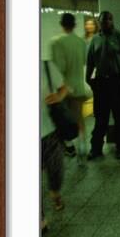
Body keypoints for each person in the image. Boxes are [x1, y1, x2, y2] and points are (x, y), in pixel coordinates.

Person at [86, 11, 120, 160]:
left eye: (108, 20)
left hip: (117, 81)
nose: (105, 23)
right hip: (101, 83)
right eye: (103, 21)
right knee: (101, 117)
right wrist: (89, 80)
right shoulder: (95, 40)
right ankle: (96, 148)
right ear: (99, 22)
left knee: (119, 116)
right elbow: (90, 62)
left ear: (112, 21)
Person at [50, 12, 88, 162]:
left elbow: (58, 68)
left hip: (64, 89)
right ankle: (82, 146)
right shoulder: (80, 42)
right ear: (74, 25)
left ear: (61, 24)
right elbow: (83, 61)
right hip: (79, 86)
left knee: (62, 118)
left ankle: (69, 146)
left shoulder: (56, 42)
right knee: (79, 118)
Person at [40, 60, 68, 232]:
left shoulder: (45, 65)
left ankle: (55, 191)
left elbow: (64, 87)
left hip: (49, 130)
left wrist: (58, 96)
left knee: (56, 169)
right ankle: (40, 219)